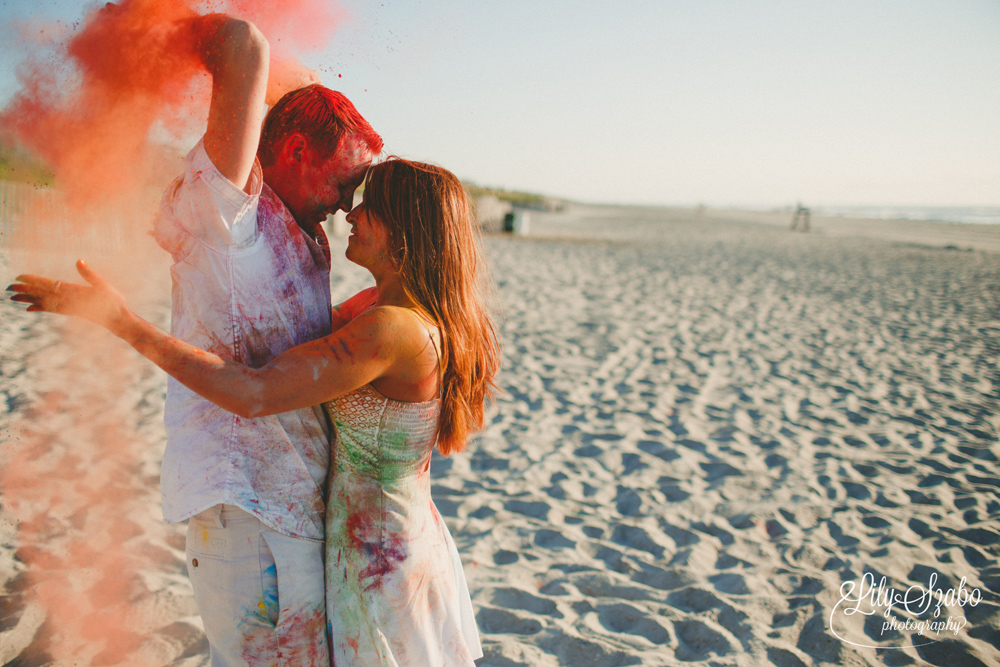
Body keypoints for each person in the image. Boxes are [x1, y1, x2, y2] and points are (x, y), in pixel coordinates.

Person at [10, 156, 500, 667]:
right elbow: (278, 331)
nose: (351, 214)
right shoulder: (388, 308)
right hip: (393, 537)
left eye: (370, 206)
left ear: (407, 229)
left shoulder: (391, 329)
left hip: (378, 556)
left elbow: (252, 393)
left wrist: (121, 321)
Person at [79, 8, 381, 665]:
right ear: (297, 151)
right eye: (343, 181)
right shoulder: (229, 212)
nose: (346, 203)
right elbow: (244, 46)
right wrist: (146, 29)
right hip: (245, 512)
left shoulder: (304, 231)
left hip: (285, 511)